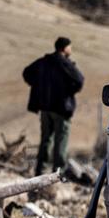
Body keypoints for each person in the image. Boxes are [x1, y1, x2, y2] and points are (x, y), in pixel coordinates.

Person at [24, 36, 84, 175]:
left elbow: (27, 73)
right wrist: (69, 91)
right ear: (64, 48)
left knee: (46, 140)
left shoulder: (44, 62)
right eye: (70, 46)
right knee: (61, 141)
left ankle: (40, 171)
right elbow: (80, 80)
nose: (71, 49)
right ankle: (58, 173)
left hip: (45, 107)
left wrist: (39, 86)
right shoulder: (64, 63)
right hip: (61, 108)